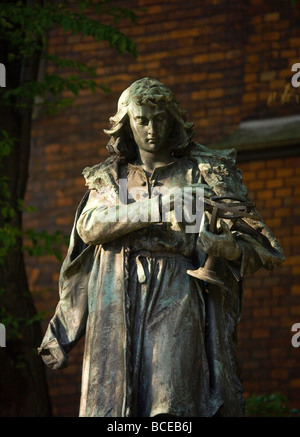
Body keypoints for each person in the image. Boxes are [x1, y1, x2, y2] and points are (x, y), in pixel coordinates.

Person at [38, 77, 285, 417]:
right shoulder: (112, 177)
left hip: (178, 289)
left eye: (160, 119)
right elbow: (90, 227)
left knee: (170, 402)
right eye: (142, 120)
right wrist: (159, 205)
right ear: (128, 123)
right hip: (116, 294)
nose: (152, 129)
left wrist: (226, 247)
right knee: (114, 409)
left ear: (173, 121)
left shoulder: (203, 172)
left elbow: (263, 245)